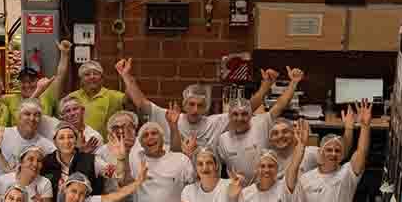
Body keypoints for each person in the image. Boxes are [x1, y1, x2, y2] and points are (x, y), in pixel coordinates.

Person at [116, 58, 285, 149]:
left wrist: (266, 86)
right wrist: (125, 76)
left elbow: (247, 108)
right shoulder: (170, 117)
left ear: (207, 108)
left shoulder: (215, 123)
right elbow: (141, 103)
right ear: (184, 105)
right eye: (191, 104)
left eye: (200, 105)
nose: (195, 110)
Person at [293, 100, 373, 202]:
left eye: (337, 150)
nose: (333, 153)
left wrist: (365, 126)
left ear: (342, 155)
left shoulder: (347, 175)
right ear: (320, 153)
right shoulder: (306, 179)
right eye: (328, 150)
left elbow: (361, 152)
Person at [217, 67, 305, 182]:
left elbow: (280, 105)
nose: (240, 118)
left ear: (250, 115)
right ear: (229, 117)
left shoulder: (261, 123)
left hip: (267, 186)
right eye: (235, 114)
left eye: (244, 114)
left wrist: (294, 82)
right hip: (241, 192)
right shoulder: (223, 139)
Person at [41, 122, 117, 202]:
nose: (66, 141)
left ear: (76, 140)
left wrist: (113, 168)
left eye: (71, 137)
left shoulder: (91, 160)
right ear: (55, 142)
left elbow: (113, 173)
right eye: (61, 138)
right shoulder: (46, 162)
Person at [0, 98, 56, 168]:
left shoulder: (46, 146)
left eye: (36, 115)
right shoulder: (1, 134)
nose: (32, 119)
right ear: (19, 117)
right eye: (27, 114)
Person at [95, 111, 140, 202]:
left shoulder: (144, 148)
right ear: (109, 132)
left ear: (135, 128)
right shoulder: (101, 152)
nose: (122, 130)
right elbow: (121, 182)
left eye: (128, 126)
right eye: (116, 127)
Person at [269, 112, 353, 180]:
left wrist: (349, 128)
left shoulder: (309, 153)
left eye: (285, 132)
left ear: (293, 134)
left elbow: (342, 153)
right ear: (270, 139)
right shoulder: (268, 158)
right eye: (275, 133)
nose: (280, 136)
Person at [3, 40, 71, 117]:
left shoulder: (47, 96)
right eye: (23, 81)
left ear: (38, 81)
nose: (27, 85)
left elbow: (60, 75)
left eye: (31, 81)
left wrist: (64, 54)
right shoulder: (9, 100)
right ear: (18, 84)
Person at [65, 59, 127, 138]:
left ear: (102, 78)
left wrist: (126, 75)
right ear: (81, 80)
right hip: (77, 145)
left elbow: (129, 99)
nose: (92, 77)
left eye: (96, 74)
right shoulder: (72, 97)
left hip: (103, 147)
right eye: (87, 74)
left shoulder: (112, 96)